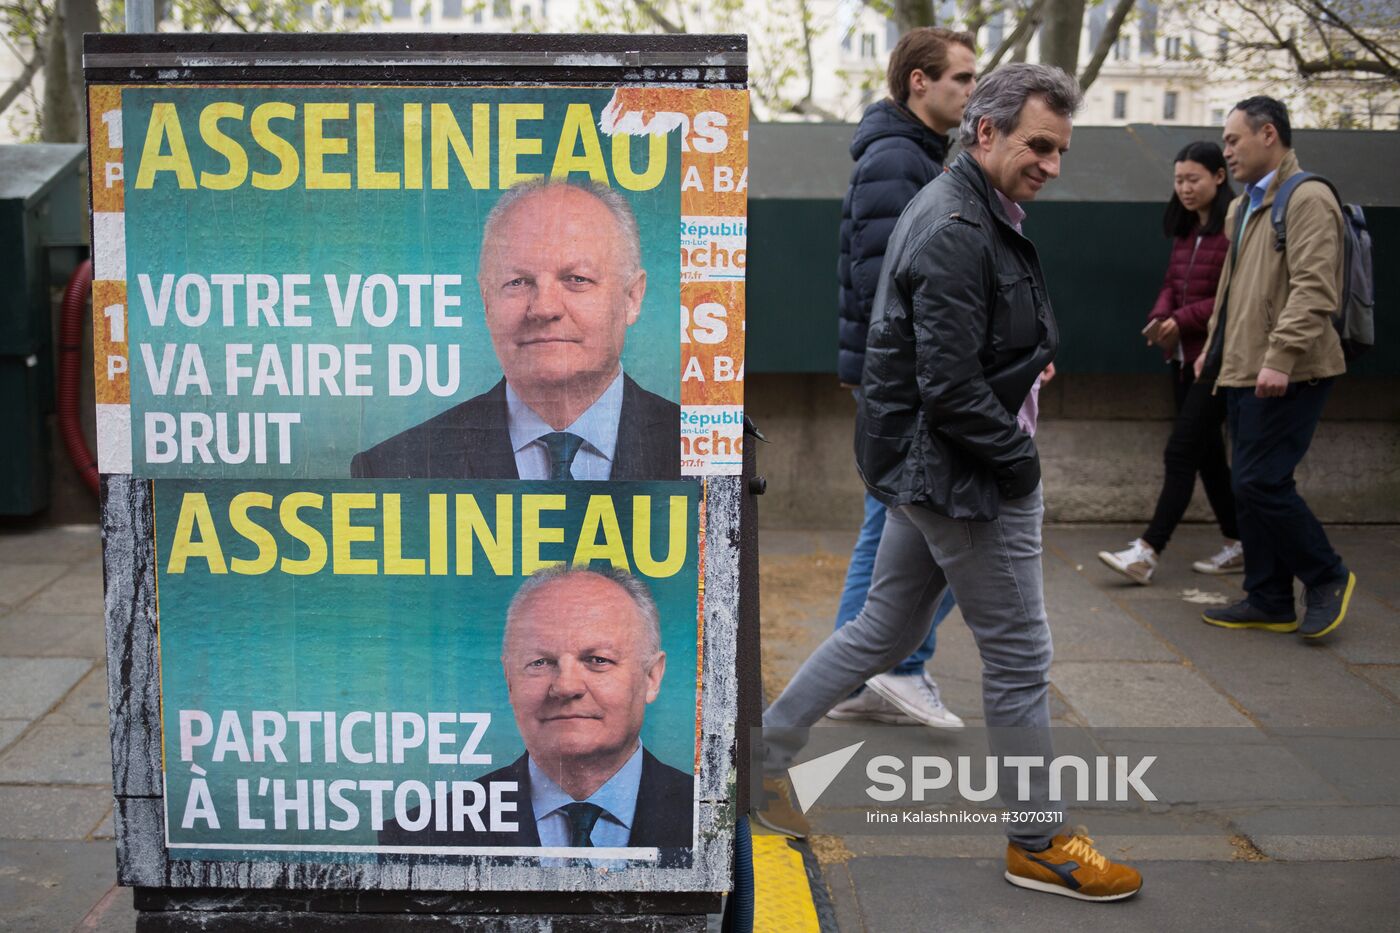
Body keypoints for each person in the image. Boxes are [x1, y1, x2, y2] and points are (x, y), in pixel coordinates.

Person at [758, 63, 1143, 902]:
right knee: (1019, 657)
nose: (1051, 163)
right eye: (1039, 145)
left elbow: (958, 354)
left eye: (1061, 149)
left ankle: (759, 754)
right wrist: (1021, 461)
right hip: (966, 478)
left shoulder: (967, 205)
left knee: (881, 633)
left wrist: (1023, 365)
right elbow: (949, 386)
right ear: (986, 132)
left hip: (929, 468)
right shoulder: (955, 224)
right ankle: (1038, 841)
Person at [829, 26, 978, 730]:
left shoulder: (911, 154)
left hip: (903, 373)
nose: (972, 91)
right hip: (911, 377)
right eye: (962, 78)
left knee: (892, 522)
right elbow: (888, 279)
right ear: (919, 81)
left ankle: (864, 670)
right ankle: (889, 664)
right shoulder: (898, 158)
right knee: (938, 522)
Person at [351, 181, 680, 480]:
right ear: (486, 301)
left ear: (632, 297)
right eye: (518, 282)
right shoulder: (390, 471)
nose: (544, 308)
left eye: (577, 279)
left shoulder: (705, 455)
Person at [381, 566, 694, 853]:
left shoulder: (705, 820)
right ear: (509, 680)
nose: (566, 686)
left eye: (598, 660)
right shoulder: (420, 834)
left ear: (652, 677)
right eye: (540, 662)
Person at [1195, 97, 1355, 638]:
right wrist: (1212, 348)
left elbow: (1316, 288)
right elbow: (1231, 289)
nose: (1227, 151)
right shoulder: (1242, 207)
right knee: (1248, 486)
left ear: (1269, 135)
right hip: (1242, 367)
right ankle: (1267, 598)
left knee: (1262, 482)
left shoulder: (1308, 198)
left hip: (1291, 369)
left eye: (1234, 139)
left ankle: (1327, 574)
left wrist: (1281, 358)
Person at [1098, 142, 1241, 585]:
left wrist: (1180, 318)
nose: (1184, 188)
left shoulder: (1234, 227)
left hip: (1214, 360)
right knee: (1208, 455)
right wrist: (1161, 316)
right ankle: (1243, 540)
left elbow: (1230, 298)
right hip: (1181, 357)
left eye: (1193, 179)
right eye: (1179, 180)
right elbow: (1171, 283)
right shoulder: (1185, 227)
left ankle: (1147, 552)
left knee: (1181, 451)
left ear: (1219, 177)